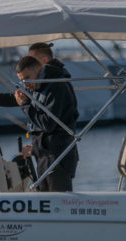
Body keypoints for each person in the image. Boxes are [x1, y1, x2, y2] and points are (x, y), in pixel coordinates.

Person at [13, 55, 80, 192]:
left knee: (58, 204)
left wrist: (25, 104)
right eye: (21, 81)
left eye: (27, 78)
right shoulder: (39, 88)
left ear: (39, 69)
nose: (25, 84)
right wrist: (35, 148)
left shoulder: (56, 86)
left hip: (57, 158)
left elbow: (48, 124)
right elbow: (44, 125)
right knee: (46, 202)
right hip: (46, 156)